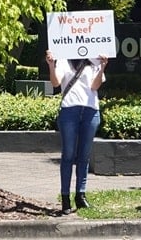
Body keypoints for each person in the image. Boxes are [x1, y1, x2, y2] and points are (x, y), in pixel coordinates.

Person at [46, 50, 107, 214]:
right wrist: (51, 65)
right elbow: (56, 83)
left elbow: (95, 86)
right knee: (68, 154)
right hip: (69, 111)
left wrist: (102, 67)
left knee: (84, 155)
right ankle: (65, 197)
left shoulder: (95, 59)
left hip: (90, 111)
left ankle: (81, 195)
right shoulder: (64, 59)